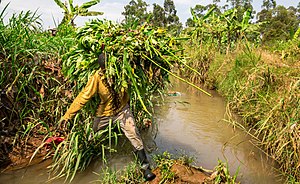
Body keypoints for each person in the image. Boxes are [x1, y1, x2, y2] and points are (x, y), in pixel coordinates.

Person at [60, 53, 156, 181]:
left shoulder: (123, 72)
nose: (110, 73)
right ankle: (84, 159)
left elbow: (139, 74)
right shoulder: (97, 78)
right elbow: (83, 97)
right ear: (102, 69)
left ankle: (145, 167)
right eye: (106, 70)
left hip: (122, 110)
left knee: (133, 132)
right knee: (92, 136)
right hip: (105, 113)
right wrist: (67, 116)